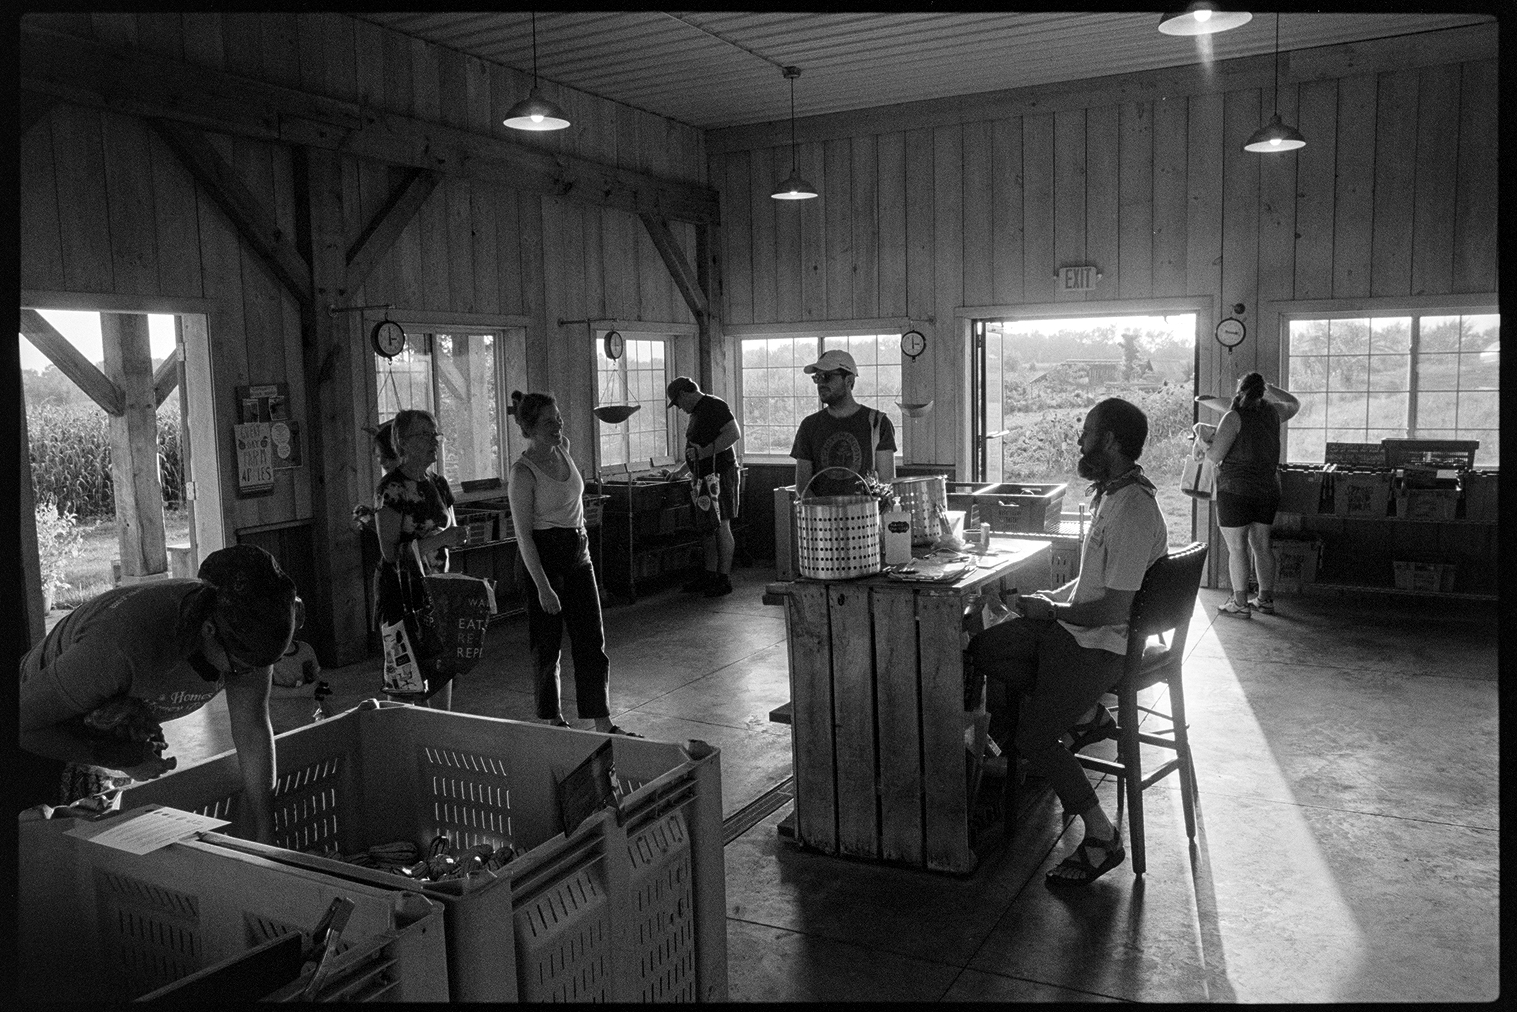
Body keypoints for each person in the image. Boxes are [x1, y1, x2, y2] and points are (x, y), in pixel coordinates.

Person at [967, 397, 1168, 886]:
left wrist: (1054, 612)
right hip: (1079, 629)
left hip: (1104, 646)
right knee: (986, 648)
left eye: (1088, 431)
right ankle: (1080, 716)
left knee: (1035, 736)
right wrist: (1049, 598)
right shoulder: (1109, 495)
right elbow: (1090, 585)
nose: (1080, 438)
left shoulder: (1134, 510)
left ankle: (1101, 837)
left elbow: (1115, 609)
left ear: (1112, 442)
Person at [18, 544, 302, 844]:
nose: (248, 675)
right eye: (242, 668)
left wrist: (265, 826)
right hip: (36, 729)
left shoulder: (252, 630)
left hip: (99, 717)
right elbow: (22, 723)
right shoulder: (121, 646)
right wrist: (123, 759)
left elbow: (252, 727)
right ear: (208, 630)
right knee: (51, 848)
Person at [508, 390, 641, 736]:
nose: (558, 426)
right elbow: (524, 537)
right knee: (547, 645)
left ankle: (602, 721)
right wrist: (543, 587)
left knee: (591, 641)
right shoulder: (523, 473)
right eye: (549, 422)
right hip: (544, 557)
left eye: (559, 418)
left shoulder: (563, 448)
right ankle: (551, 719)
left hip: (578, 552)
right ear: (529, 428)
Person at [374, 408, 462, 709]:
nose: (433, 441)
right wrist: (439, 540)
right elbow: (390, 553)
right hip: (402, 594)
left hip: (437, 591)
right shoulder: (392, 488)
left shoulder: (438, 484)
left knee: (441, 668)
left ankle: (439, 739)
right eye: (424, 434)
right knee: (405, 677)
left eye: (434, 434)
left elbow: (449, 528)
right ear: (403, 442)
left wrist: (453, 538)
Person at [1200, 372, 1300, 617]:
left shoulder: (1233, 417)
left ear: (1239, 392)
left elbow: (1215, 456)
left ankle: (1240, 603)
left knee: (1237, 548)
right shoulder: (1275, 413)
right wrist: (1272, 387)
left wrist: (1203, 444)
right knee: (1262, 546)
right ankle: (1265, 600)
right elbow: (1294, 403)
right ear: (1262, 392)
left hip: (1235, 490)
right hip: (1267, 488)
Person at [667, 376, 742, 598]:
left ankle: (723, 578)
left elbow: (733, 433)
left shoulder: (715, 405)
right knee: (707, 527)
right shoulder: (696, 413)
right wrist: (681, 471)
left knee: (721, 525)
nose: (679, 408)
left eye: (678, 403)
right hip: (702, 476)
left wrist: (706, 452)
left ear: (682, 395)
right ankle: (710, 574)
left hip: (721, 473)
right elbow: (695, 451)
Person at [791, 349, 897, 497]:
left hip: (866, 516)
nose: (820, 383)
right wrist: (822, 514)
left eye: (826, 377)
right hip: (820, 517)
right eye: (817, 378)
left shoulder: (877, 423)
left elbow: (886, 484)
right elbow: (802, 486)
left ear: (849, 381)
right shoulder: (809, 426)